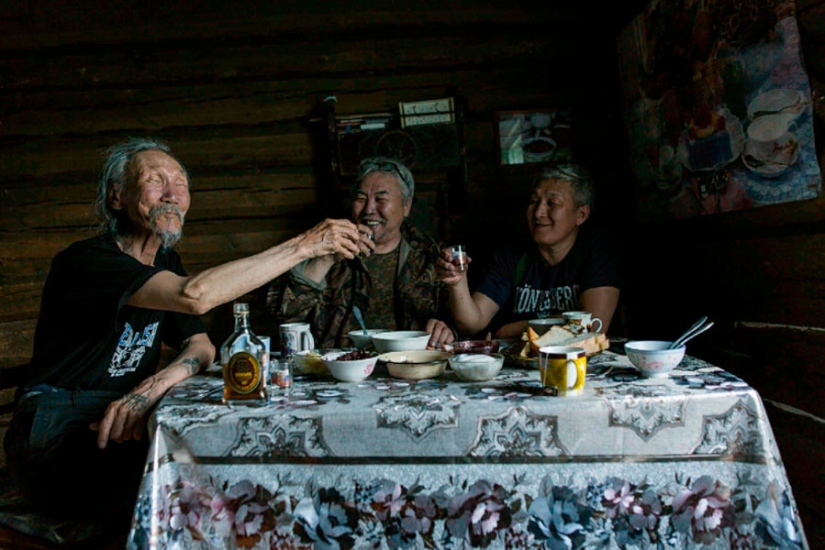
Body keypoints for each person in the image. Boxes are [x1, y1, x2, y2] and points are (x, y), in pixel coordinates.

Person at [3, 137, 368, 527]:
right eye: (154, 180)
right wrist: (304, 246)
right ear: (117, 196)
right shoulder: (88, 261)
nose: (172, 193)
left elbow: (202, 345)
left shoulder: (164, 259)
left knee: (233, 476)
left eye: (180, 182)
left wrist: (154, 386)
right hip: (58, 429)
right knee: (201, 497)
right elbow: (195, 296)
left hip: (122, 417)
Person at [266, 157, 456, 349]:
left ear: (406, 206)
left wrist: (445, 331)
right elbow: (283, 313)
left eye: (381, 199)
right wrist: (326, 259)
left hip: (411, 366)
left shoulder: (429, 253)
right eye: (360, 199)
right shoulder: (327, 245)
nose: (369, 209)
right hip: (338, 368)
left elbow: (459, 322)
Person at [437, 163, 622, 339]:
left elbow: (593, 325)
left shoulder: (597, 250)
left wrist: (511, 330)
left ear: (581, 214)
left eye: (552, 203)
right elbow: (472, 322)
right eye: (534, 201)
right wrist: (457, 283)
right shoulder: (511, 255)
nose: (538, 212)